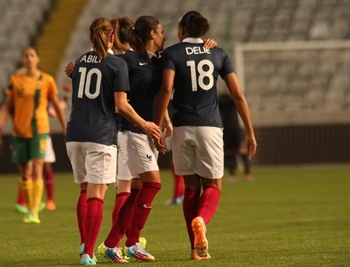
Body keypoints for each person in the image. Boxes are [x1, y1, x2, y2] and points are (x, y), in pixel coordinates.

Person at [155, 11, 257, 261]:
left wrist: (156, 125)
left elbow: (167, 88)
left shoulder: (171, 54)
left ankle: (195, 250)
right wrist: (250, 132)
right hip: (210, 127)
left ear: (181, 31)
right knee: (213, 186)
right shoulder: (218, 53)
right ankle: (202, 220)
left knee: (190, 189)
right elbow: (238, 96)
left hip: (181, 127)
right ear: (203, 31)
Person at [65, 17, 162, 266]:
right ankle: (90, 252)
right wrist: (145, 123)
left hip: (74, 135)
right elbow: (120, 105)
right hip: (100, 135)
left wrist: (73, 73)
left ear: (90, 38)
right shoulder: (116, 64)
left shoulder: (79, 63)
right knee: (97, 194)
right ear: (111, 38)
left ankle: (83, 243)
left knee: (84, 190)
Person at [0, 47, 67, 224]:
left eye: (32, 55)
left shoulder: (47, 80)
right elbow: (8, 105)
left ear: (37, 59)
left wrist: (65, 126)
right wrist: (1, 121)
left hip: (39, 130)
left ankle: (34, 211)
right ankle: (29, 206)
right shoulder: (15, 80)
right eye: (26, 56)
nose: (29, 58)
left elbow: (56, 105)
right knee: (24, 173)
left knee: (37, 168)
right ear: (22, 59)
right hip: (19, 131)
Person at [13, 81, 72, 213]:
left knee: (44, 166)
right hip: (28, 137)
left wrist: (67, 94)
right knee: (27, 169)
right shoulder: (25, 105)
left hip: (43, 137)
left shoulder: (43, 105)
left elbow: (58, 108)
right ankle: (23, 202)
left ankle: (49, 200)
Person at [218, 90, 254, 182]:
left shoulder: (232, 99)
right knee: (228, 152)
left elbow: (239, 97)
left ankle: (247, 173)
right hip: (224, 128)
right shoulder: (220, 99)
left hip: (235, 128)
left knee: (241, 150)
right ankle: (232, 174)